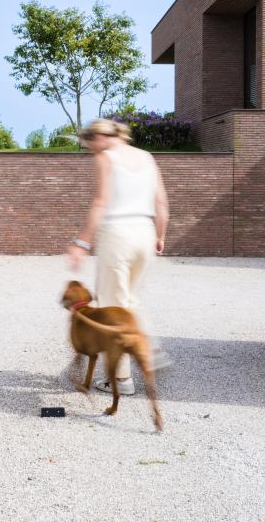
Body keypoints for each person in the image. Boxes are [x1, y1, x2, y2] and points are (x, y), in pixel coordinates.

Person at [66, 118, 170, 395]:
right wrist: (160, 235)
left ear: (98, 139)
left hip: (118, 234)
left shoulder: (106, 158)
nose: (92, 152)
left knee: (113, 306)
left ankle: (120, 379)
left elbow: (100, 202)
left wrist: (81, 243)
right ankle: (147, 343)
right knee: (129, 299)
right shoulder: (146, 157)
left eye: (90, 146)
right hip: (145, 233)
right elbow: (161, 202)